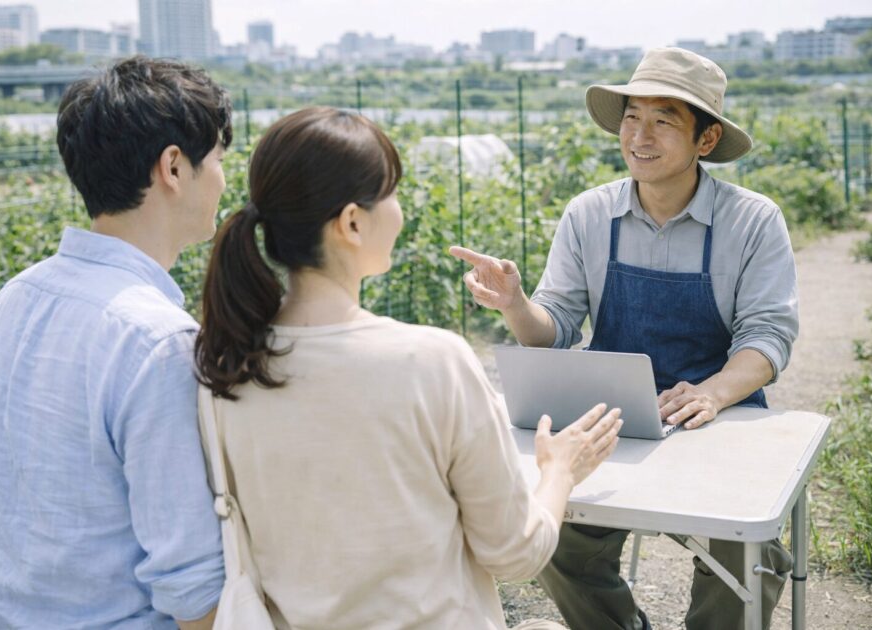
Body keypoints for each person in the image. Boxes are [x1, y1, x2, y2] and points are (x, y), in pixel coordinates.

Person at [194, 106, 623, 630]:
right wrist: (560, 471)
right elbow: (515, 554)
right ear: (352, 223)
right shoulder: (431, 362)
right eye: (392, 194)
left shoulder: (223, 367)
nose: (399, 212)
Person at [450, 47, 799, 630]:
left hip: (718, 418)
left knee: (749, 553)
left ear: (707, 139)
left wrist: (711, 393)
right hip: (610, 420)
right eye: (632, 117)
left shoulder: (753, 220)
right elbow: (555, 327)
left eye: (664, 120)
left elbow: (768, 336)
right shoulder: (588, 214)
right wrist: (515, 304)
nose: (640, 135)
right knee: (555, 534)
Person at [0, 56, 232, 629]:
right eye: (217, 160)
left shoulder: (14, 296)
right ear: (173, 167)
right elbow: (193, 591)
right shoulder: (158, 342)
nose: (223, 181)